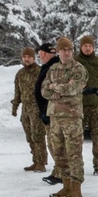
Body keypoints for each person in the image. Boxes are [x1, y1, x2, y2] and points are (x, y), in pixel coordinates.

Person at [40, 37, 88, 197]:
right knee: (59, 153)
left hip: (71, 117)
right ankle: (66, 185)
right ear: (58, 52)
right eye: (63, 50)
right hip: (55, 117)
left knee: (74, 153)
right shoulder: (53, 69)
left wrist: (55, 87)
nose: (66, 52)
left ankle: (76, 188)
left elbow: (73, 89)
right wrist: (58, 88)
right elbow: (44, 90)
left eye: (69, 49)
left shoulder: (78, 69)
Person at [11, 46, 48, 171]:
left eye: (29, 57)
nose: (27, 59)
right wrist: (15, 106)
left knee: (38, 136)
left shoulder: (39, 72)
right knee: (30, 137)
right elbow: (17, 92)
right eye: (25, 57)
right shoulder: (20, 74)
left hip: (37, 109)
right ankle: (35, 160)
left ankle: (41, 162)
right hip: (26, 110)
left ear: (34, 58)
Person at [77, 34, 98, 175]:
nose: (88, 48)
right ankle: (77, 166)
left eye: (90, 46)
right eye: (85, 46)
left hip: (96, 106)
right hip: (78, 106)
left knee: (97, 138)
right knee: (77, 139)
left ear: (93, 47)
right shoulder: (75, 62)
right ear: (81, 47)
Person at [34, 44, 63, 185]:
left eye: (40, 53)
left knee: (55, 145)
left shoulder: (54, 67)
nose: (39, 56)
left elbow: (53, 92)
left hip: (52, 112)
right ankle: (58, 171)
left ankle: (62, 173)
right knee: (53, 144)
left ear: (44, 54)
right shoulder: (48, 66)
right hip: (47, 111)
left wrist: (46, 110)